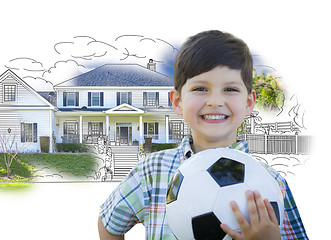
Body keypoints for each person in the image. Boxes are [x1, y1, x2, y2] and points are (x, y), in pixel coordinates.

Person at [98, 30, 308, 239]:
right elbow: (109, 223)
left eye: (230, 89)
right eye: (200, 88)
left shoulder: (271, 182)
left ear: (248, 103)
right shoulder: (151, 171)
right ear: (178, 102)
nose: (215, 101)